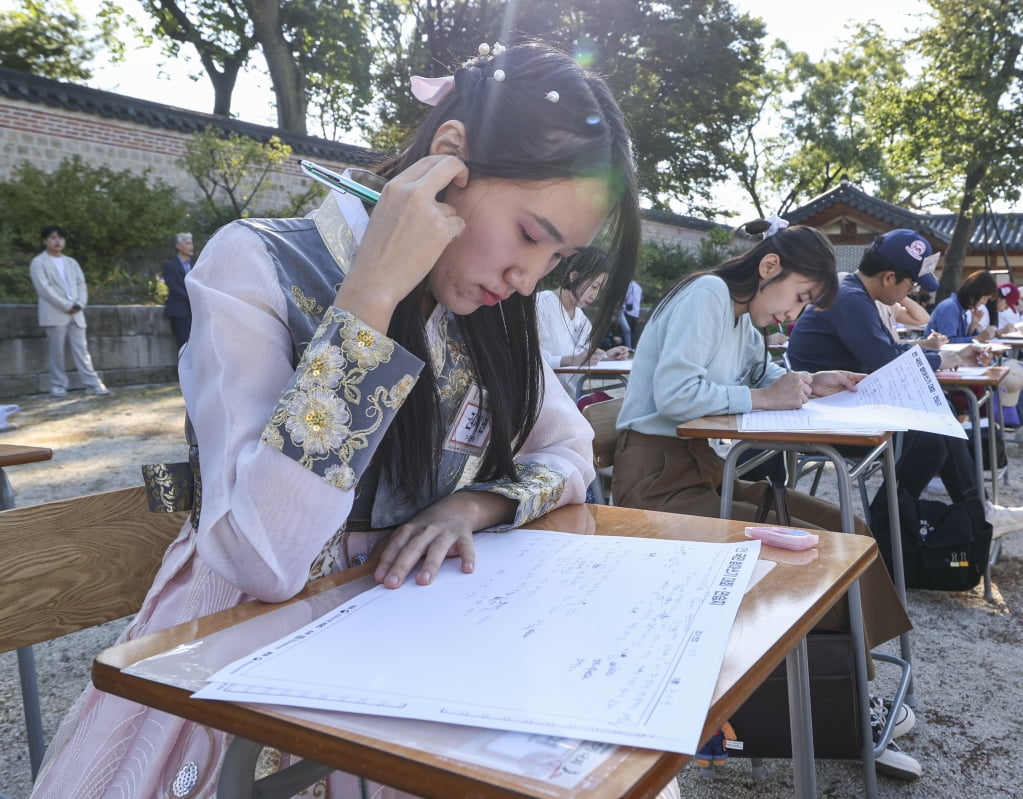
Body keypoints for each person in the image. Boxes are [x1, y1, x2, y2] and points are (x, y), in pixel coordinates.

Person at [31, 42, 642, 799]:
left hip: (413, 641)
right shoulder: (253, 263)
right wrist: (373, 294)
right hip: (247, 654)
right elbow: (265, 557)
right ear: (449, 158)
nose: (528, 279)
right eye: (528, 234)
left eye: (558, 258)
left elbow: (570, 448)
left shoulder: (486, 314)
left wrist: (473, 503)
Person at [612, 220, 920, 779]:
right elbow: (675, 395)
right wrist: (764, 394)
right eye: (799, 297)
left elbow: (764, 374)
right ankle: (847, 708)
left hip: (701, 472)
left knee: (846, 528)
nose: (793, 314)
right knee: (820, 548)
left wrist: (811, 380)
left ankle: (851, 688)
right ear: (770, 268)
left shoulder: (743, 318)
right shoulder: (707, 295)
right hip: (657, 484)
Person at [786, 229, 1023, 536]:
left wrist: (953, 354)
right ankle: (890, 532)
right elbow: (887, 360)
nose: (913, 291)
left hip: (841, 404)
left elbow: (889, 353)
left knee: (937, 421)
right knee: (931, 436)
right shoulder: (850, 297)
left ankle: (969, 514)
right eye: (912, 283)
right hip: (824, 413)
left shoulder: (853, 293)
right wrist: (952, 358)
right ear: (889, 277)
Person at [28, 224, 110, 397]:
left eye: (60, 237)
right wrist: (66, 305)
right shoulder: (38, 262)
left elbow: (81, 285)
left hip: (77, 313)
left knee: (82, 350)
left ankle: (93, 384)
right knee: (56, 352)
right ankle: (58, 385)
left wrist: (79, 304)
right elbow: (44, 288)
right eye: (52, 237)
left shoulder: (71, 262)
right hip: (54, 313)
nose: (57, 241)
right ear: (45, 241)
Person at [535, 248, 630, 395]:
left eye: (600, 290)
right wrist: (569, 360)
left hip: (571, 397)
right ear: (574, 276)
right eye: (594, 286)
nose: (595, 296)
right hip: (542, 396)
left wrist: (604, 357)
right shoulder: (540, 305)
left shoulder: (582, 320)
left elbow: (582, 357)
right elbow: (529, 358)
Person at [926, 269, 1000, 342]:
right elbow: (947, 342)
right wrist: (979, 338)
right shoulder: (950, 307)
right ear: (974, 293)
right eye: (984, 298)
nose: (984, 303)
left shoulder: (960, 309)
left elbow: (961, 340)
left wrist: (973, 324)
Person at [162, 231, 195, 350]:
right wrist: (191, 297)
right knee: (185, 345)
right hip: (180, 311)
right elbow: (173, 286)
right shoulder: (170, 265)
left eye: (191, 243)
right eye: (188, 243)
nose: (191, 246)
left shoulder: (196, 264)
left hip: (196, 311)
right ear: (178, 246)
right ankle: (184, 369)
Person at [617, 276, 642, 347]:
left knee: (627, 330)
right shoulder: (638, 287)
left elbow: (625, 297)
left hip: (629, 311)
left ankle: (628, 346)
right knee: (632, 331)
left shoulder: (630, 286)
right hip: (635, 312)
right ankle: (631, 346)